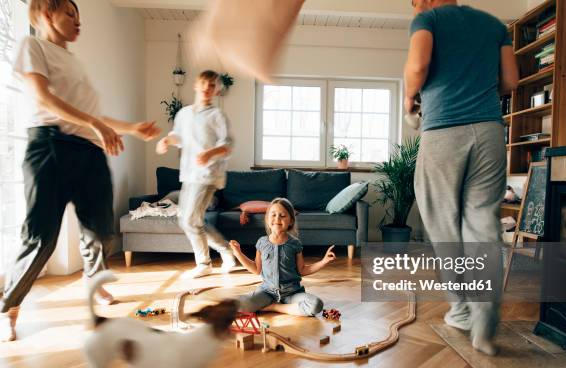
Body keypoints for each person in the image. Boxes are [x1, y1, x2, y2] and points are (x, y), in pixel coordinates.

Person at [1, 0, 160, 342]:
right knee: (42, 237)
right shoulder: (34, 46)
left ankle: (94, 276)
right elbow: (42, 98)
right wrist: (93, 124)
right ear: (46, 15)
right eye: (69, 14)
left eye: (78, 15)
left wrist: (131, 128)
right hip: (50, 147)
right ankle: (10, 307)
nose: (78, 21)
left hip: (88, 150)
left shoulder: (72, 62)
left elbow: (93, 115)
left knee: (102, 228)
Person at [405, 0, 519, 355]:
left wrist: (411, 96)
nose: (413, 4)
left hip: (443, 131)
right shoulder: (493, 24)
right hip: (489, 132)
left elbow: (419, 64)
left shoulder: (427, 19)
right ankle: (485, 323)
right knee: (482, 224)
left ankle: (462, 310)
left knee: (442, 226)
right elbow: (511, 81)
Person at [156, 70, 236, 279]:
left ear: (217, 90)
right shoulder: (184, 114)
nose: (207, 89)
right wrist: (166, 141)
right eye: (204, 84)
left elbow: (228, 144)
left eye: (212, 86)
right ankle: (226, 250)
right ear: (196, 85)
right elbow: (178, 137)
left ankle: (204, 263)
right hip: (189, 174)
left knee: (191, 220)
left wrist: (210, 152)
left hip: (209, 174)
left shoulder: (217, 115)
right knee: (188, 220)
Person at [229, 198, 334, 316]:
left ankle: (274, 307)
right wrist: (238, 253)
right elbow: (256, 269)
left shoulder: (295, 244)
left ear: (291, 221)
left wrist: (323, 261)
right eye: (273, 215)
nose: (277, 219)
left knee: (316, 305)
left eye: (282, 215)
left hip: (292, 294)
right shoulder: (262, 242)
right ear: (267, 219)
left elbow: (303, 270)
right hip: (266, 293)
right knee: (236, 304)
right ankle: (281, 307)